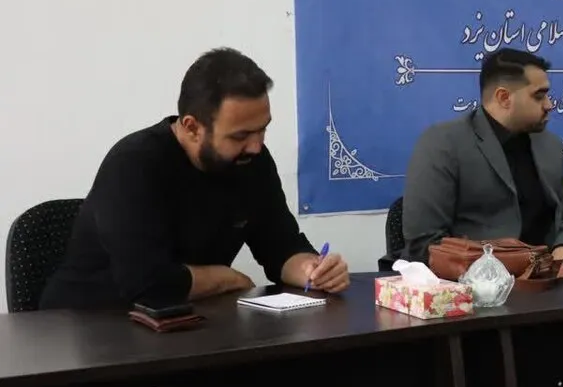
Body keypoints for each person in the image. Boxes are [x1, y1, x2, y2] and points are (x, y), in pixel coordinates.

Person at [40, 48, 349, 310]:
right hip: (87, 325)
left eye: (262, 129)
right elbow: (148, 284)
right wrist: (228, 278)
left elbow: (280, 246)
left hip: (187, 319)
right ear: (191, 127)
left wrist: (312, 270)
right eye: (240, 135)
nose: (256, 146)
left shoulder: (252, 161)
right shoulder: (133, 163)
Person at [402, 48, 563, 264]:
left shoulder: (551, 146)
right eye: (539, 96)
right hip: (473, 279)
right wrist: (512, 266)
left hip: (548, 275)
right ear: (504, 98)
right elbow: (425, 244)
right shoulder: (443, 144)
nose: (549, 105)